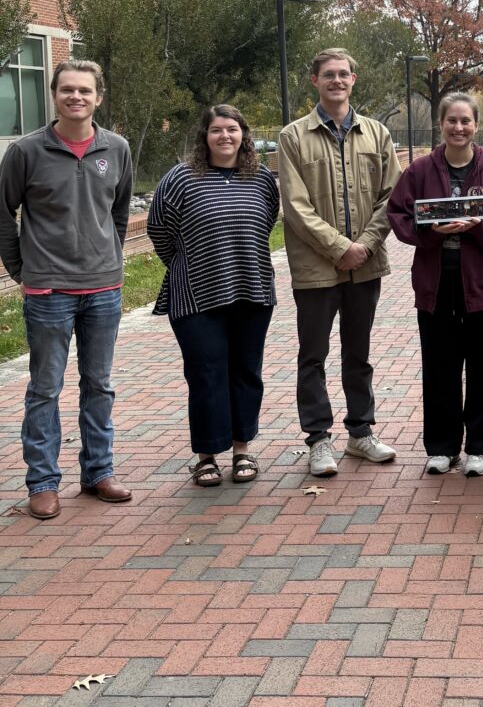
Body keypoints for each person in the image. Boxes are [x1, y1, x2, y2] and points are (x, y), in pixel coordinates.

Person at [0, 60, 133, 519]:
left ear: (98, 97)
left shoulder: (115, 148)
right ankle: (42, 481)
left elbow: (118, 212)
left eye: (85, 91)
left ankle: (98, 473)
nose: (76, 97)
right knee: (45, 389)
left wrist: (110, 256)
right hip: (48, 292)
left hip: (104, 289)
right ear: (53, 95)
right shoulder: (25, 151)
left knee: (100, 384)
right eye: (67, 90)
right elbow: (4, 213)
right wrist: (22, 269)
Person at [388, 93, 483, 476]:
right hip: (437, 284)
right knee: (440, 367)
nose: (459, 127)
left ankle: (481, 446)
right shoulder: (420, 170)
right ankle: (443, 446)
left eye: (465, 121)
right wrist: (430, 231)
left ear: (476, 125)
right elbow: (398, 212)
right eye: (452, 120)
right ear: (441, 124)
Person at [278, 48, 400, 476]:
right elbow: (295, 206)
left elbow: (393, 197)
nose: (336, 81)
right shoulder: (293, 137)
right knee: (313, 355)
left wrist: (363, 245)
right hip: (315, 269)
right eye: (328, 75)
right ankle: (318, 440)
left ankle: (361, 433)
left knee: (359, 353)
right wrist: (338, 247)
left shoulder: (378, 134)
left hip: (364, 265)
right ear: (315, 80)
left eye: (343, 74)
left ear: (354, 78)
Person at [147, 105, 280, 486]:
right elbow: (160, 230)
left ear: (244, 135)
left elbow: (267, 221)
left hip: (251, 288)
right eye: (216, 130)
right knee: (206, 374)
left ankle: (241, 450)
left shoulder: (261, 180)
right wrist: (189, 264)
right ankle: (206, 456)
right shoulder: (180, 179)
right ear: (204, 136)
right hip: (195, 295)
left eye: (232, 129)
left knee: (246, 372)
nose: (225, 136)